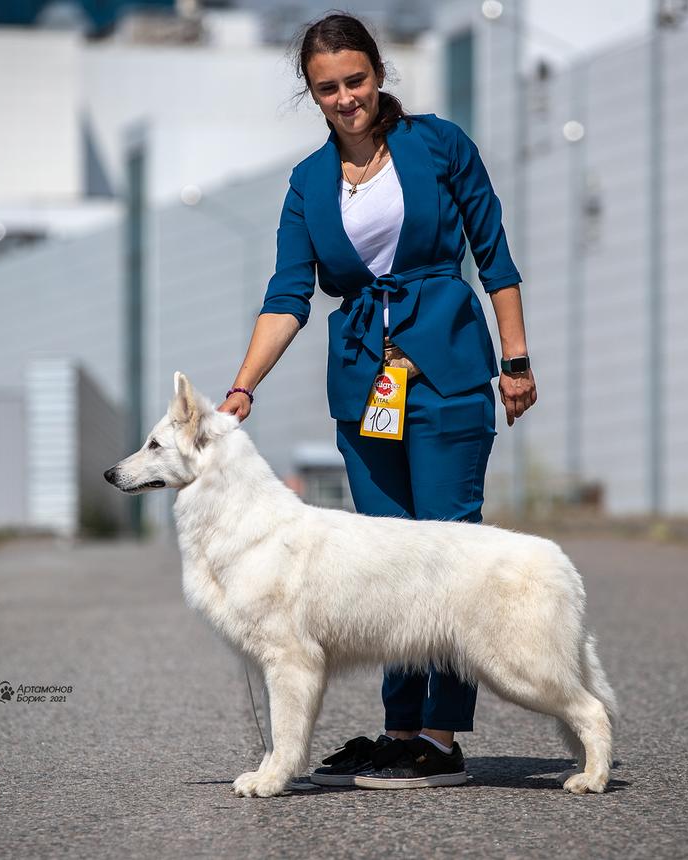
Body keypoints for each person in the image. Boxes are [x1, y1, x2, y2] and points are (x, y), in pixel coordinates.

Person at [216, 11, 537, 790]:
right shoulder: (307, 183)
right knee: (384, 558)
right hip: (364, 381)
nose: (345, 98)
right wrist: (240, 387)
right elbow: (289, 293)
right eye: (328, 88)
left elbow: (493, 253)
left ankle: (442, 733)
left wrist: (516, 360)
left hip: (450, 366)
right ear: (312, 94)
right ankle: (400, 729)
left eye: (355, 80)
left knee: (450, 548)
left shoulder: (438, 145)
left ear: (379, 74)